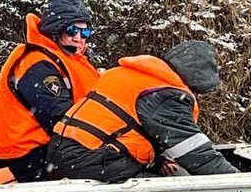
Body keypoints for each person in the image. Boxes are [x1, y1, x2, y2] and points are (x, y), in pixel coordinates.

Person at [48, 39, 237, 182]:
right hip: (89, 160)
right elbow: (195, 154)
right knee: (173, 186)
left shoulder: (133, 75)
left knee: (169, 171)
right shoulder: (166, 94)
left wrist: (157, 161)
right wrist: (238, 181)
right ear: (197, 79)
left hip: (62, 152)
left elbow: (123, 128)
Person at [0, 0, 101, 181]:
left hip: (55, 147)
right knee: (117, 167)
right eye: (73, 30)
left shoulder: (70, 61)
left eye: (85, 32)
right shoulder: (37, 64)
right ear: (56, 30)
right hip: (33, 155)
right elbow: (58, 117)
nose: (79, 38)